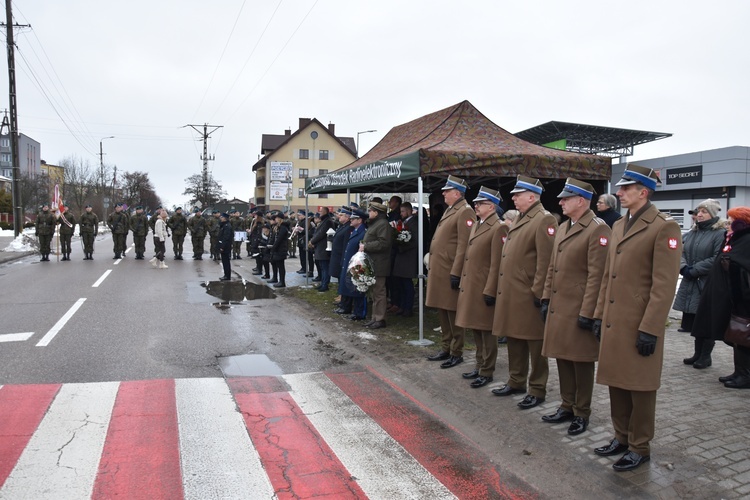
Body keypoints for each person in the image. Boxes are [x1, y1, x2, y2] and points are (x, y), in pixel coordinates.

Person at [592, 164, 681, 472]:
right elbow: (608, 275)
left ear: (643, 192)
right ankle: (621, 436)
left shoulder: (663, 227)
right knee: (617, 381)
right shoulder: (618, 225)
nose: (619, 192)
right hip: (615, 319)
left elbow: (664, 284)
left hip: (640, 321)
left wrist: (651, 329)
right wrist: (599, 314)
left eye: (625, 189)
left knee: (640, 387)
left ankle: (639, 446)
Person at [540, 178, 610, 435]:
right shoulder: (563, 226)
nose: (560, 202)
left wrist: (589, 312)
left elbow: (598, 275)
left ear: (580, 200)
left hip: (580, 306)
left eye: (565, 198)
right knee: (562, 357)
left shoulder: (597, 229)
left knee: (580, 362)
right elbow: (552, 266)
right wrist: (546, 297)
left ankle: (582, 412)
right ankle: (566, 405)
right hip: (560, 305)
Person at [491, 175, 557, 409]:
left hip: (530, 294)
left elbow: (546, 260)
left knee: (535, 344)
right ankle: (516, 380)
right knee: (515, 339)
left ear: (532, 196)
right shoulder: (521, 217)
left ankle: (537, 388)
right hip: (513, 291)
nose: (514, 199)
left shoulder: (543, 219)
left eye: (517, 195)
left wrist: (539, 293)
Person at [691, 207, 750, 388]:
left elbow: (742, 265)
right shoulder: (734, 238)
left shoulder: (746, 240)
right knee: (736, 335)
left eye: (732, 221)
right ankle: (739, 371)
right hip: (732, 296)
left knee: (743, 335)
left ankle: (745, 375)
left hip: (743, 298)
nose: (728, 224)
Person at [455, 187, 506, 388]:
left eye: (480, 203)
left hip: (485, 286)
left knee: (486, 331)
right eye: (475, 203)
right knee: (476, 327)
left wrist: (490, 289)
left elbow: (496, 263)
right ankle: (479, 364)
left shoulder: (498, 227)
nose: (475, 206)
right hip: (473, 285)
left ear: (491, 206)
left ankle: (487, 370)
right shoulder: (477, 224)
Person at [425, 175, 475, 368]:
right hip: (440, 269)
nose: (443, 193)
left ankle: (456, 351)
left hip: (450, 270)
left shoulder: (465, 212)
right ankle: (446, 346)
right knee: (443, 309)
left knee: (453, 313)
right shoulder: (451, 210)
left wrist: (457, 272)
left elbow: (464, 245)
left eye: (447, 190)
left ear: (457, 193)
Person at [675, 199, 725, 368]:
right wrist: (683, 268)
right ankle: (697, 353)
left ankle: (706, 356)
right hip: (691, 281)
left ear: (712, 214)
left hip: (707, 283)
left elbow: (716, 258)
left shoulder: (720, 233)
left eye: (704, 211)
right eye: (699, 211)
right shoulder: (693, 232)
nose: (700, 214)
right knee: (696, 320)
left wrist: (694, 269)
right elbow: (680, 251)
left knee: (707, 319)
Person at [359, 201, 394, 329]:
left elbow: (384, 243)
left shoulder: (383, 224)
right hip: (373, 262)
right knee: (374, 292)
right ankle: (375, 317)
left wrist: (366, 246)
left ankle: (380, 319)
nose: (369, 213)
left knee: (379, 292)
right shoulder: (376, 224)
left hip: (380, 263)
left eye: (370, 211)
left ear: (376, 212)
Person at [391, 202, 420, 317]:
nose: (401, 214)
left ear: (409, 211)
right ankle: (402, 306)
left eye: (403, 211)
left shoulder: (414, 223)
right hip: (402, 256)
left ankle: (408, 307)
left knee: (407, 284)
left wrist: (401, 246)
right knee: (401, 283)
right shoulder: (404, 222)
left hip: (408, 257)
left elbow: (415, 241)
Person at [341, 209, 368, 320]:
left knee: (359, 289)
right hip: (352, 264)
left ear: (360, 220)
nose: (350, 220)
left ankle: (360, 313)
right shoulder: (356, 230)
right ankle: (356, 311)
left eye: (353, 218)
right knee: (354, 288)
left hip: (358, 264)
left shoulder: (363, 232)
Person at [331, 208, 353, 313]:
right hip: (338, 257)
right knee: (340, 281)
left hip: (342, 258)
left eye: (342, 215)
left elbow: (345, 245)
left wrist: (344, 260)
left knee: (344, 281)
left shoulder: (348, 228)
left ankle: (345, 304)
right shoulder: (343, 226)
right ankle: (342, 301)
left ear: (347, 217)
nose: (339, 217)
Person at [309, 207, 334, 292]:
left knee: (325, 267)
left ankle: (325, 284)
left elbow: (321, 233)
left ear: (325, 212)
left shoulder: (328, 221)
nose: (319, 213)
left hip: (324, 247)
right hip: (320, 247)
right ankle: (323, 282)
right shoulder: (324, 221)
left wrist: (312, 241)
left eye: (321, 212)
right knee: (322, 267)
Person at [269, 212, 290, 288]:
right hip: (277, 249)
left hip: (281, 249)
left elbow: (279, 239)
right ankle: (279, 280)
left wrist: (273, 247)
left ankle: (282, 282)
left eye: (277, 218)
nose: (276, 219)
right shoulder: (278, 227)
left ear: (280, 219)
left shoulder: (283, 228)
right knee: (278, 265)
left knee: (281, 266)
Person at [217, 212, 233, 280]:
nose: (221, 218)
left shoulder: (227, 226)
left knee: (226, 262)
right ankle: (226, 275)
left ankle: (227, 276)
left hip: (226, 246)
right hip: (225, 246)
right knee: (224, 261)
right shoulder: (224, 225)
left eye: (222, 217)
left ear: (225, 218)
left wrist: (222, 247)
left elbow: (226, 238)